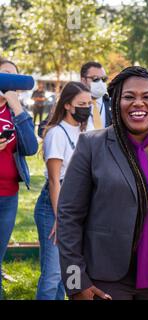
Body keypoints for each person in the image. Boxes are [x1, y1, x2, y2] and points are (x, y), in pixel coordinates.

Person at [57, 66, 148, 300]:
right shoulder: (91, 146)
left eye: (147, 97)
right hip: (105, 283)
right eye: (129, 97)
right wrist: (76, 283)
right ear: (116, 102)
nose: (138, 103)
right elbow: (68, 217)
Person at [34, 81, 92, 300]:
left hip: (80, 206)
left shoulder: (86, 131)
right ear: (67, 105)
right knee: (53, 274)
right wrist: (60, 219)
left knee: (70, 272)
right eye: (81, 103)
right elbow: (54, 182)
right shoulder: (56, 134)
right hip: (55, 206)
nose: (86, 107)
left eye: (89, 103)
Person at [0, 59, 38, 300]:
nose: (9, 80)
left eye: (14, 76)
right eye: (5, 75)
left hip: (8, 196)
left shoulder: (16, 112)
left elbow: (31, 148)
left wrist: (16, 106)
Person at [80, 61, 112, 130]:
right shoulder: (74, 105)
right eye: (95, 79)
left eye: (104, 79)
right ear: (83, 80)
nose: (100, 83)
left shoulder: (113, 105)